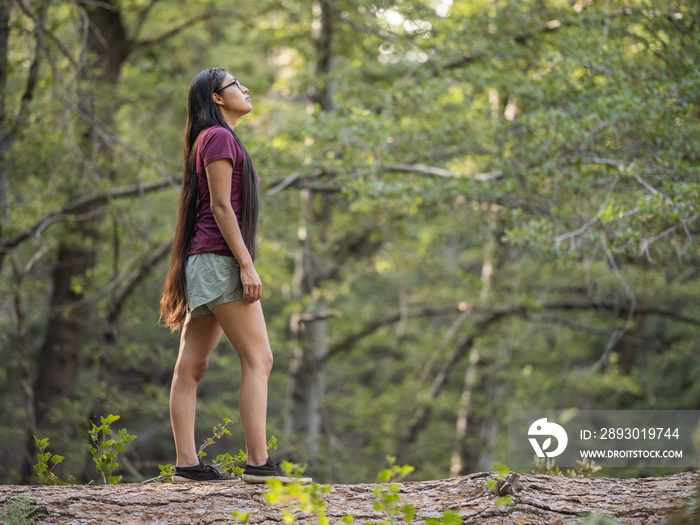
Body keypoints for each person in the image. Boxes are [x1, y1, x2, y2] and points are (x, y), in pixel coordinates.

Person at [159, 68, 310, 484]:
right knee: (259, 360)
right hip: (220, 261)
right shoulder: (219, 138)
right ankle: (259, 465)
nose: (246, 88)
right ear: (218, 97)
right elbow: (223, 208)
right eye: (236, 84)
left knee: (191, 367)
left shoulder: (207, 138)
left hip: (203, 260)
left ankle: (187, 466)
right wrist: (245, 263)